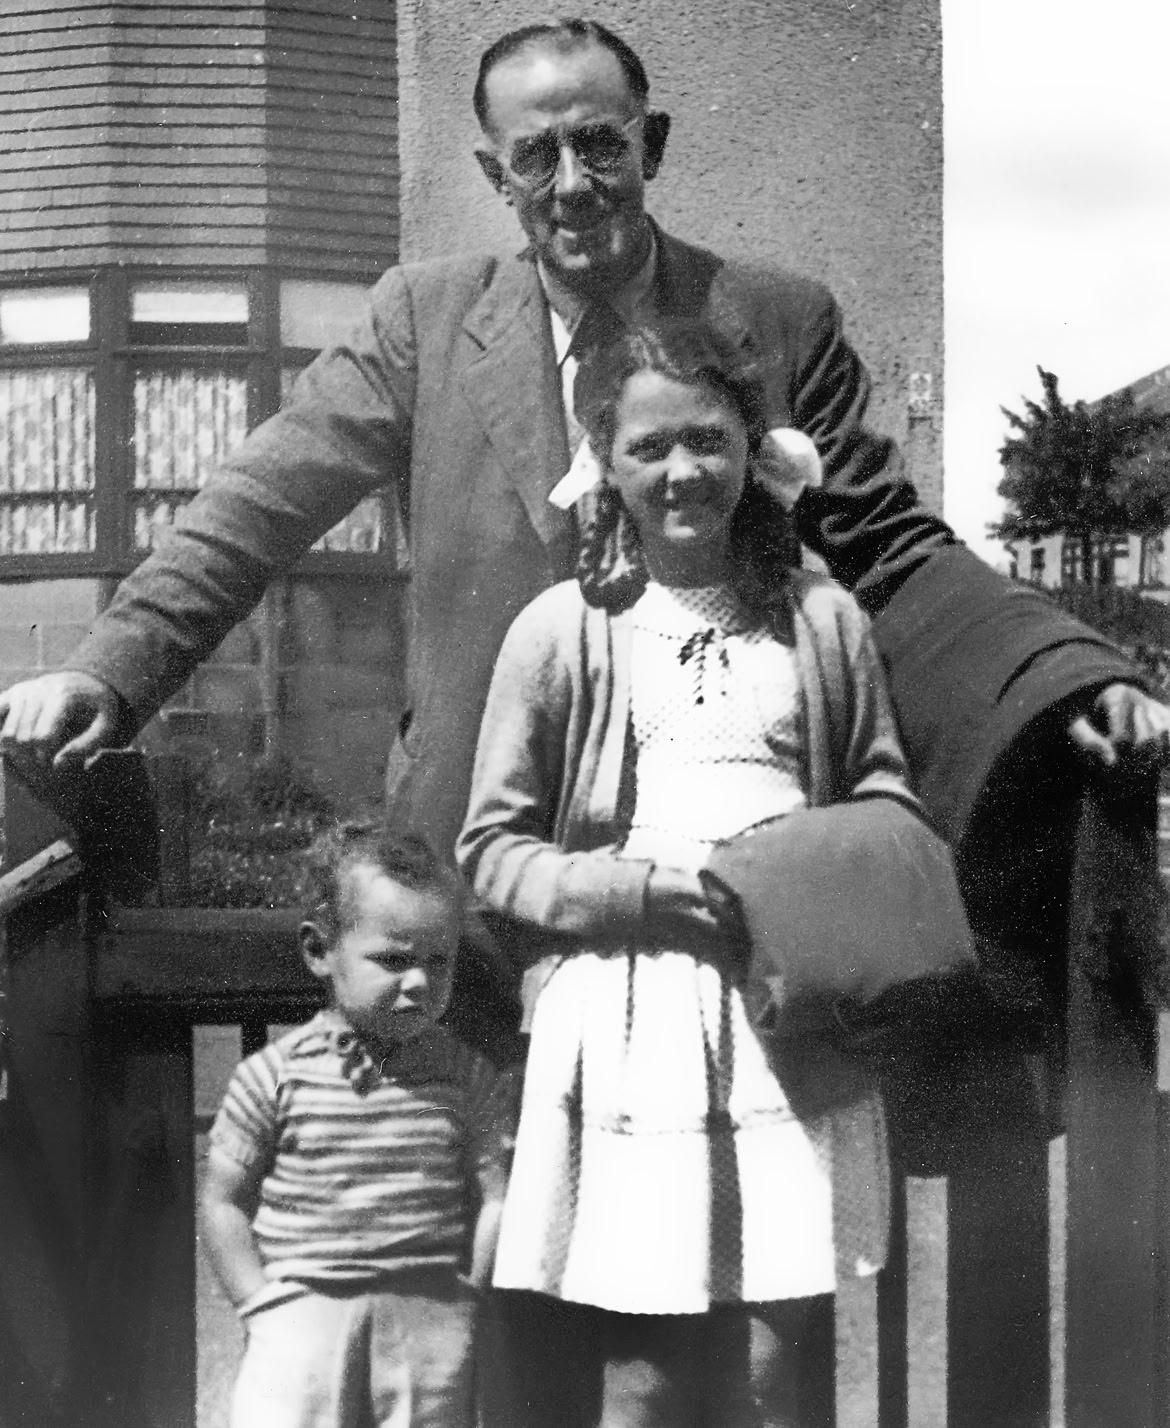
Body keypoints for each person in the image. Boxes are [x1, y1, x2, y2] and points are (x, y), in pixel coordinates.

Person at [0, 17, 1162, 898]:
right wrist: (105, 671)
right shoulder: (425, 320)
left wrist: (1064, 672)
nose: (572, 187)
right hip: (482, 860)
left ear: (651, 144)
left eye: (602, 146)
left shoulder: (777, 319)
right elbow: (253, 509)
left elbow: (893, 548)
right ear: (493, 174)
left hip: (729, 861)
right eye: (536, 155)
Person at [455, 317, 918, 1427]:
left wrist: (796, 881)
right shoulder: (563, 629)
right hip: (630, 1021)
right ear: (606, 463)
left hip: (784, 1016)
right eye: (650, 447)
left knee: (766, 1373)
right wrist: (636, 893)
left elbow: (885, 800)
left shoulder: (822, 620)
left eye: (708, 440)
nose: (682, 472)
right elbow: (492, 848)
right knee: (644, 1384)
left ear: (753, 449)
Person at [200, 824, 518, 1428]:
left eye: (438, 961)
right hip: (303, 1319)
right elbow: (223, 1201)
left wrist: (469, 1298)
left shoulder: (465, 1077)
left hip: (428, 1319)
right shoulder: (273, 1075)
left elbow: (497, 1197)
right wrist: (259, 1304)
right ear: (321, 951)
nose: (419, 982)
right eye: (393, 960)